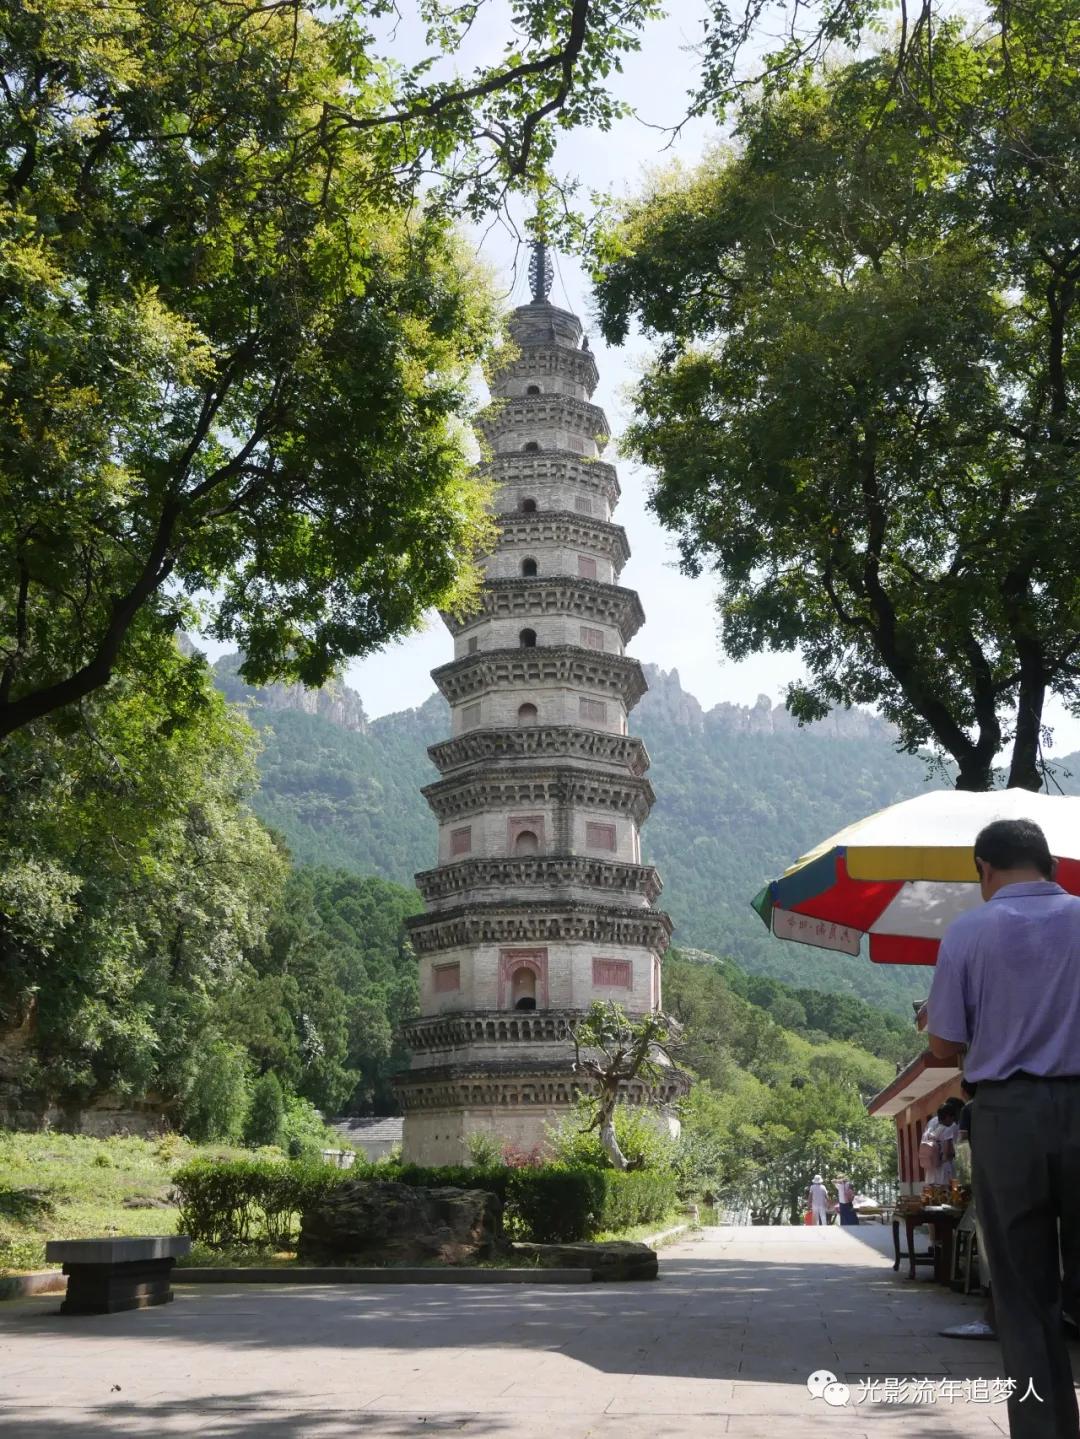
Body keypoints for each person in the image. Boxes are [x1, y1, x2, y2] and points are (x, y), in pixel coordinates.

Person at [927, 817, 1080, 1439]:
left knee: (1022, 1293)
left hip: (1007, 1117)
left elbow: (944, 1044)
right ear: (1050, 864)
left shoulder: (968, 931)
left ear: (984, 871)